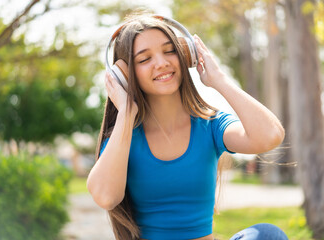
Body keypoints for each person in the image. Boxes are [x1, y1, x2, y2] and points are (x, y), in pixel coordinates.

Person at [87, 13, 288, 240]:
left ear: (186, 55)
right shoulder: (123, 140)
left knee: (267, 235)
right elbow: (105, 197)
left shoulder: (210, 126)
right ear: (124, 75)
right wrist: (125, 112)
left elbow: (270, 135)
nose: (162, 63)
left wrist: (219, 80)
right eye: (144, 59)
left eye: (170, 50)